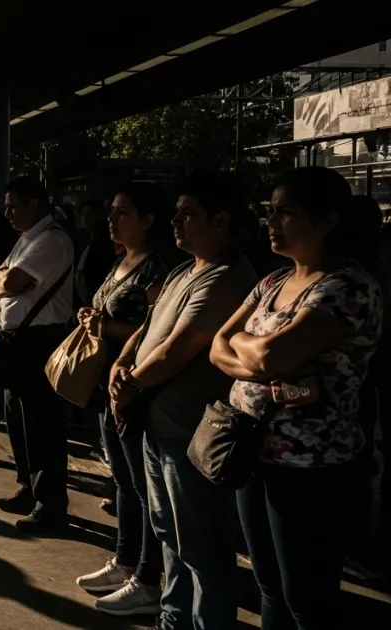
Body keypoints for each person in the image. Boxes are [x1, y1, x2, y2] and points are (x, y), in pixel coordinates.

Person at [211, 167, 383, 629]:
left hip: (312, 470)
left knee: (307, 598)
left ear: (326, 221)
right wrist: (258, 355)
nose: (271, 222)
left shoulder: (348, 288)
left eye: (285, 212)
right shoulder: (272, 282)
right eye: (270, 211)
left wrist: (253, 350)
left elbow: (264, 352)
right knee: (268, 584)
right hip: (252, 450)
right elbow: (218, 345)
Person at [111, 170, 257, 630]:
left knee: (201, 546)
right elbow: (148, 328)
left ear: (221, 221)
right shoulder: (183, 268)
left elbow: (176, 351)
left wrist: (130, 382)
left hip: (190, 433)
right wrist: (121, 363)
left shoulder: (227, 279)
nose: (175, 222)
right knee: (170, 534)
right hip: (160, 425)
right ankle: (173, 618)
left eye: (188, 214)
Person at [74, 182, 171, 616]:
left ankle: (147, 575)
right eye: (112, 211)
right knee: (122, 481)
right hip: (106, 385)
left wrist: (106, 328)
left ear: (148, 220)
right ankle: (125, 557)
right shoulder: (122, 262)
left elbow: (156, 334)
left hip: (134, 387)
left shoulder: (158, 269)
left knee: (140, 485)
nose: (111, 219)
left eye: (122, 212)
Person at [0, 177, 76, 533]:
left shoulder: (52, 240)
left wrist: (6, 282)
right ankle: (28, 486)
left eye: (13, 205)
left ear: (34, 205)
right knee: (18, 418)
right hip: (19, 340)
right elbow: (0, 279)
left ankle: (51, 503)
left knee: (42, 423)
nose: (7, 213)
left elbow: (8, 284)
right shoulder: (27, 239)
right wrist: (5, 281)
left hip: (39, 340)